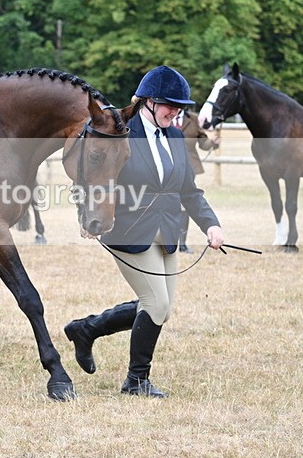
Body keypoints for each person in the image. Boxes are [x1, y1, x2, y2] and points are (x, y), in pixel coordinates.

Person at [64, 65, 224, 398]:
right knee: (155, 303)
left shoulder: (176, 137)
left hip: (166, 233)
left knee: (161, 308)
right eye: (169, 105)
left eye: (180, 106)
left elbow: (188, 190)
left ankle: (86, 329)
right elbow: (92, 176)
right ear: (148, 101)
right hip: (127, 230)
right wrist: (87, 216)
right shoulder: (119, 133)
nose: (175, 112)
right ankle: (136, 381)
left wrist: (210, 224)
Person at [175, 108, 220, 253]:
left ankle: (182, 243)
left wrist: (213, 143)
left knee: (185, 204)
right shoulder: (162, 118)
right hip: (167, 166)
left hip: (189, 167)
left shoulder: (193, 119)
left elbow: (203, 142)